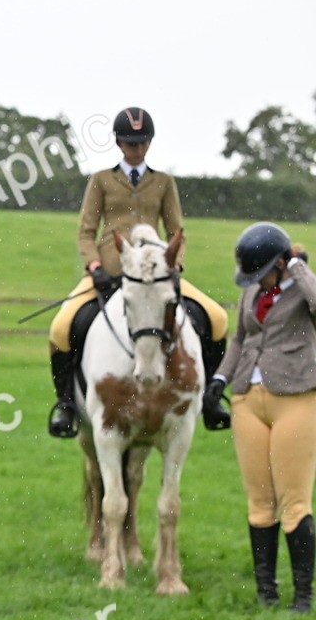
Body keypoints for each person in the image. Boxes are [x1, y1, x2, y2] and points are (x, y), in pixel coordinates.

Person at [47, 107, 231, 437]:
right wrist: (94, 266)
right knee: (61, 327)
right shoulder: (101, 180)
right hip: (108, 274)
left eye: (143, 142)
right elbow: (86, 232)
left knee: (216, 319)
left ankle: (209, 398)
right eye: (131, 143)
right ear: (118, 142)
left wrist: (175, 264)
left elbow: (177, 232)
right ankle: (66, 404)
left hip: (156, 275)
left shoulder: (163, 182)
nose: (138, 149)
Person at [207, 222, 315, 613]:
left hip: (296, 397)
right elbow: (240, 340)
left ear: (282, 262)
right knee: (259, 501)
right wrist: (220, 379)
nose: (257, 281)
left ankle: (303, 596)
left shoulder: (302, 287)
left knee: (294, 501)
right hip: (247, 400)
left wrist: (300, 269)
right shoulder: (253, 290)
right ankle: (265, 593)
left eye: (263, 272)